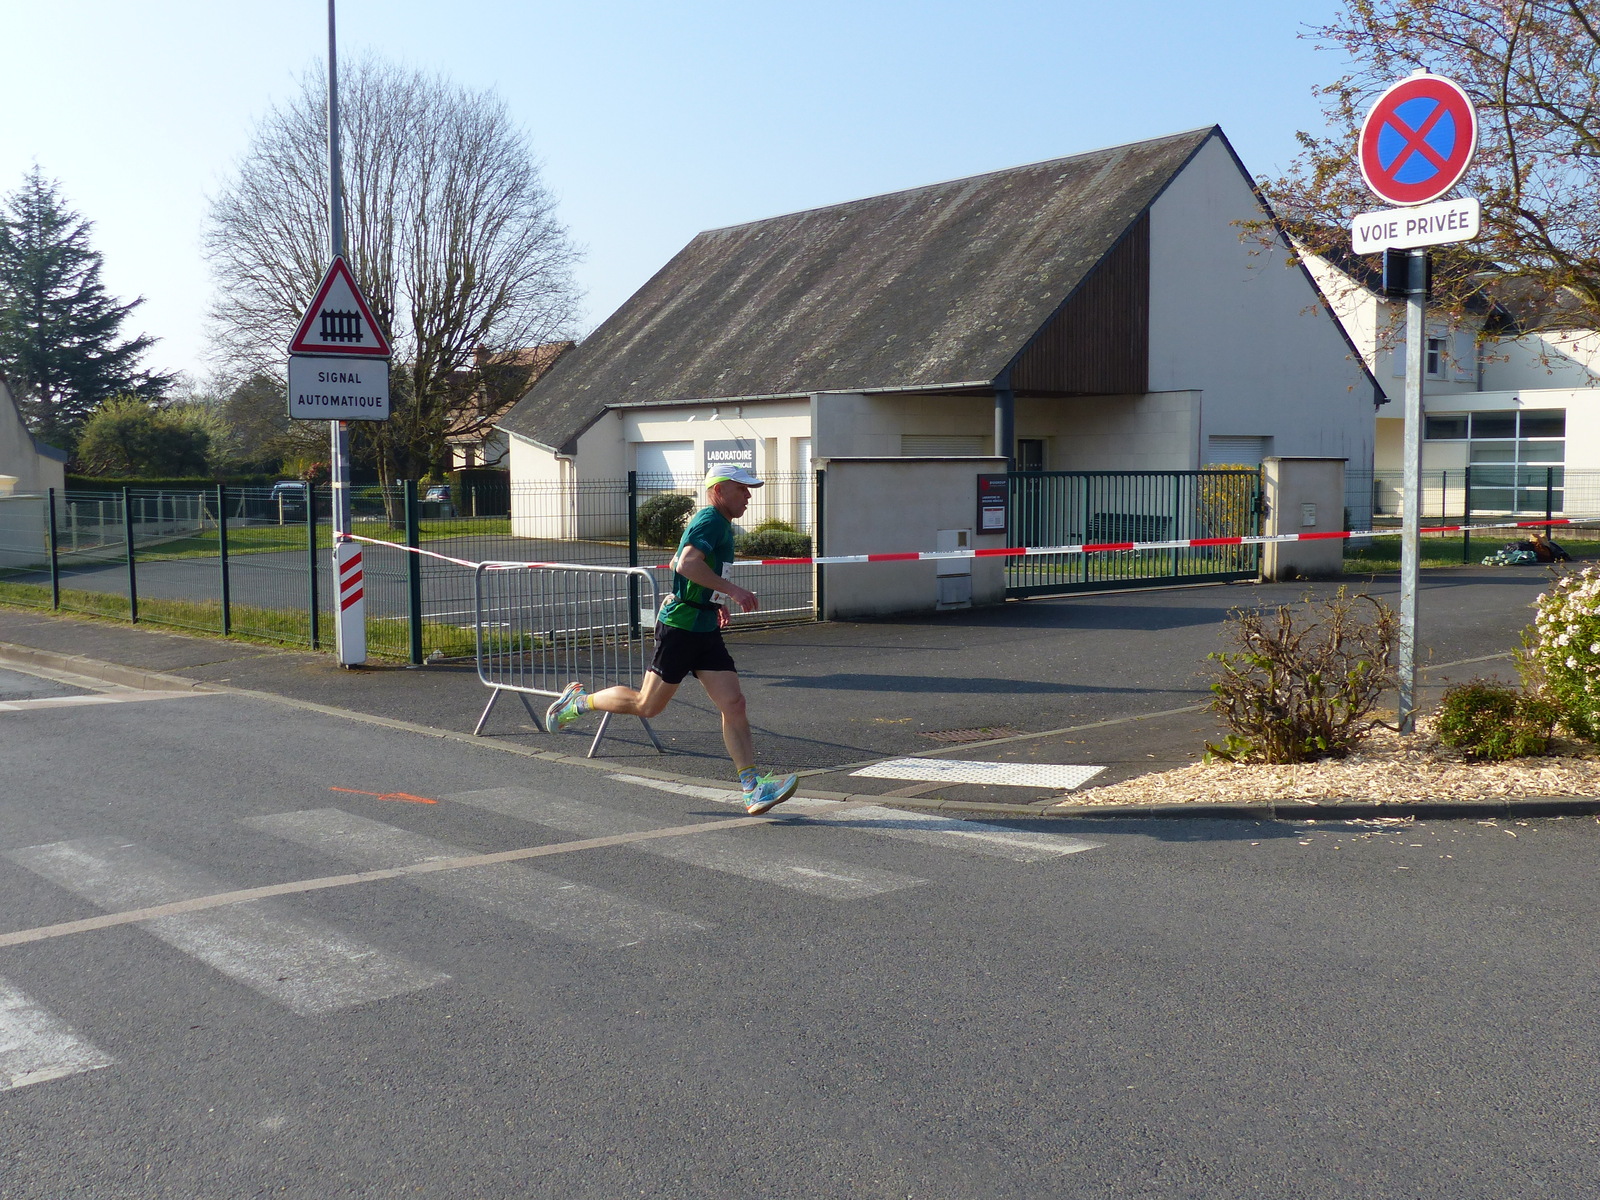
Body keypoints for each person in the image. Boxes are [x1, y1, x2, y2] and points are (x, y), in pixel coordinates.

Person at [544, 466, 800, 816]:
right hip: (680, 627)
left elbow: (678, 560)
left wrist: (714, 599)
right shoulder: (710, 520)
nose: (748, 495)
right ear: (719, 490)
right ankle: (578, 702)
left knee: (734, 703)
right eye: (741, 488)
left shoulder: (718, 523)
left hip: (704, 626)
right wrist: (732, 591)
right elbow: (686, 564)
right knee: (647, 705)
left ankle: (752, 788)